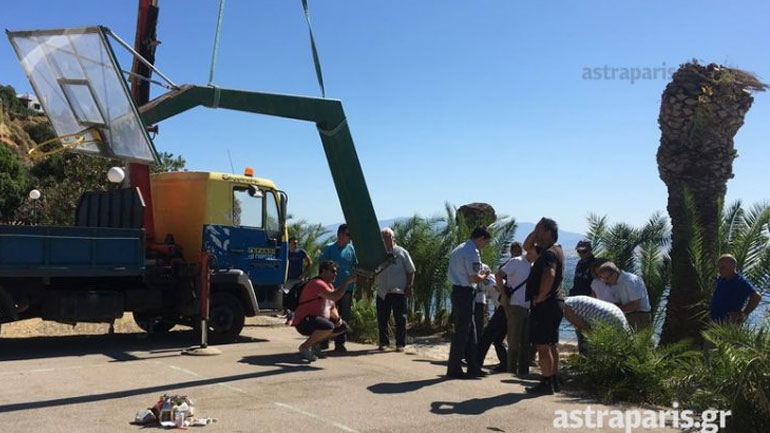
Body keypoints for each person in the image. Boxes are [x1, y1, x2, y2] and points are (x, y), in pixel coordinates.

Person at [523, 218, 565, 395]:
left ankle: (546, 382)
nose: (536, 234)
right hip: (556, 304)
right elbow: (527, 247)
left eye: (540, 230)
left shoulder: (548, 254)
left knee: (542, 345)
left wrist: (540, 297)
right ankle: (554, 380)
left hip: (546, 305)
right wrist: (535, 230)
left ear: (548, 232)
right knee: (552, 344)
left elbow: (549, 274)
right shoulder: (555, 250)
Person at [446, 226, 491, 379]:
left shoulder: (459, 249)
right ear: (481, 238)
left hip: (458, 291)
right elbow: (474, 278)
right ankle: (454, 368)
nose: (485, 246)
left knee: (470, 332)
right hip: (465, 292)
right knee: (462, 332)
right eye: (485, 242)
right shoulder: (472, 252)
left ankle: (473, 366)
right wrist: (486, 274)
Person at [291, 261, 355, 361]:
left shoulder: (330, 286)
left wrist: (338, 320)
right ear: (323, 272)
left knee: (342, 327)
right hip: (304, 321)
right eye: (333, 271)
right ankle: (305, 347)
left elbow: (332, 307)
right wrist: (346, 282)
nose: (335, 274)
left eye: (336, 271)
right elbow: (335, 295)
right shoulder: (317, 283)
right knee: (328, 327)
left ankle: (315, 345)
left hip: (317, 320)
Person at [374, 227, 416, 352]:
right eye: (383, 238)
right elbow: (373, 270)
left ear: (393, 238)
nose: (385, 240)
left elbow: (411, 270)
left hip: (399, 291)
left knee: (400, 319)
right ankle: (384, 342)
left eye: (387, 237)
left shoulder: (402, 252)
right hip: (382, 292)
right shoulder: (378, 254)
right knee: (382, 319)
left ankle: (400, 344)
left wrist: (409, 286)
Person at [319, 224, 358, 352]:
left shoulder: (351, 249)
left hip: (346, 290)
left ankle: (340, 343)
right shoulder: (329, 248)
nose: (350, 238)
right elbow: (322, 268)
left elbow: (356, 266)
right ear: (340, 234)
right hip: (330, 290)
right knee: (327, 315)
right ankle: (323, 341)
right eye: (348, 235)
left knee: (344, 316)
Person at [496, 242, 531, 376]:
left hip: (527, 306)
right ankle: (511, 371)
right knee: (514, 340)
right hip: (515, 305)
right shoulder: (516, 262)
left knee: (525, 341)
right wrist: (503, 295)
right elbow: (498, 275)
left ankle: (523, 372)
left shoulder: (532, 265)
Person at [597, 262, 652, 331]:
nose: (605, 281)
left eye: (607, 278)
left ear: (614, 274)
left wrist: (614, 309)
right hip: (627, 315)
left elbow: (635, 305)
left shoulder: (629, 281)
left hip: (639, 316)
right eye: (603, 278)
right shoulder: (615, 283)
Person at [710, 254, 761, 324]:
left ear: (733, 266)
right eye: (719, 267)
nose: (720, 270)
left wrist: (744, 314)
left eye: (723, 267)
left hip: (729, 323)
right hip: (715, 321)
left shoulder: (740, 282)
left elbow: (756, 296)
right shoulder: (721, 279)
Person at [477, 264, 507, 372]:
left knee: (487, 336)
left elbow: (495, 287)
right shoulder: (492, 277)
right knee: (498, 340)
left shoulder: (488, 280)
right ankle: (505, 363)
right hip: (507, 309)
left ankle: (477, 363)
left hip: (503, 309)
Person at [563, 295, 631, 338]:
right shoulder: (572, 300)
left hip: (604, 317)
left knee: (609, 347)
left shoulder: (564, 306)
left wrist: (591, 334)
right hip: (614, 310)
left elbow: (583, 327)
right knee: (625, 340)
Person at [571, 240, 595, 355]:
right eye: (579, 251)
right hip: (577, 301)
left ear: (590, 250)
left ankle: (588, 357)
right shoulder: (580, 264)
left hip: (589, 302)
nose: (581, 253)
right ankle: (582, 355)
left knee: (588, 330)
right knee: (579, 329)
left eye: (584, 251)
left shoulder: (595, 264)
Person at [473, 264, 493, 348]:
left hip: (480, 300)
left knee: (478, 326)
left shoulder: (485, 267)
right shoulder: (484, 268)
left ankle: (476, 347)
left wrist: (486, 306)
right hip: (472, 299)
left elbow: (487, 285)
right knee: (473, 325)